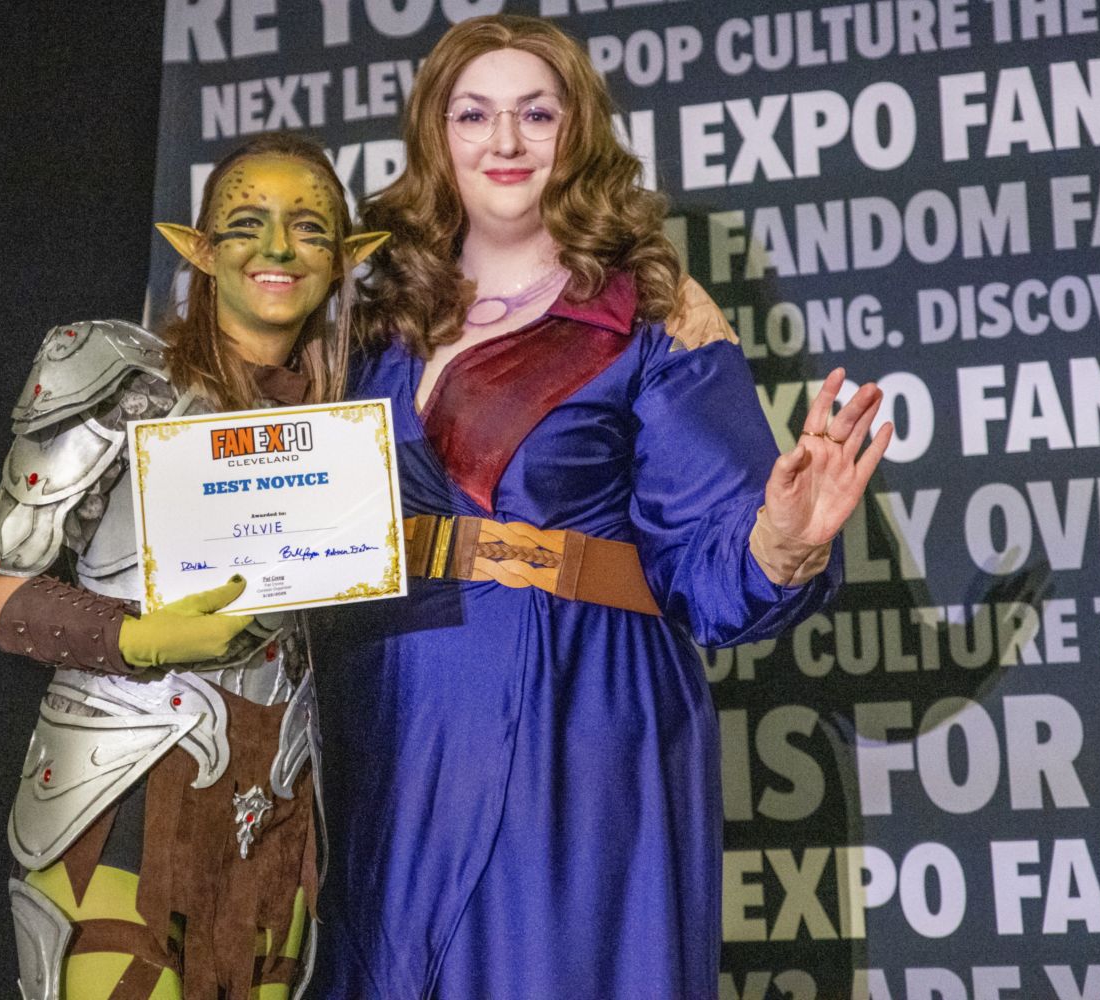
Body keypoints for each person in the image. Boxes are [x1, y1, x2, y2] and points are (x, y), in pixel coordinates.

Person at [309, 15, 892, 999]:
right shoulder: (369, 316)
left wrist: (780, 538)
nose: (505, 141)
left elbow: (707, 564)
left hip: (574, 719)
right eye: (475, 115)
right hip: (390, 724)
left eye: (537, 113)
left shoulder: (648, 312)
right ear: (434, 137)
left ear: (578, 132)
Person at [0, 132, 387, 1000]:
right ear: (199, 250)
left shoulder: (350, 423)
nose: (276, 249)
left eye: (308, 227)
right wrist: (141, 637)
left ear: (344, 259)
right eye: (246, 224)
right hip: (121, 784)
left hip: (273, 810)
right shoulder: (119, 379)